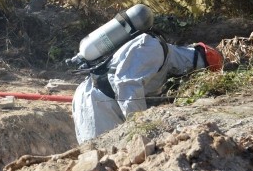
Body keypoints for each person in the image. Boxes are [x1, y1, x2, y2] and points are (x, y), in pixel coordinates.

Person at [72, 33, 223, 144]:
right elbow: (127, 86)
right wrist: (143, 129)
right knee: (100, 162)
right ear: (196, 67)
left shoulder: (162, 60)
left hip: (103, 100)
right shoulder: (152, 48)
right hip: (96, 102)